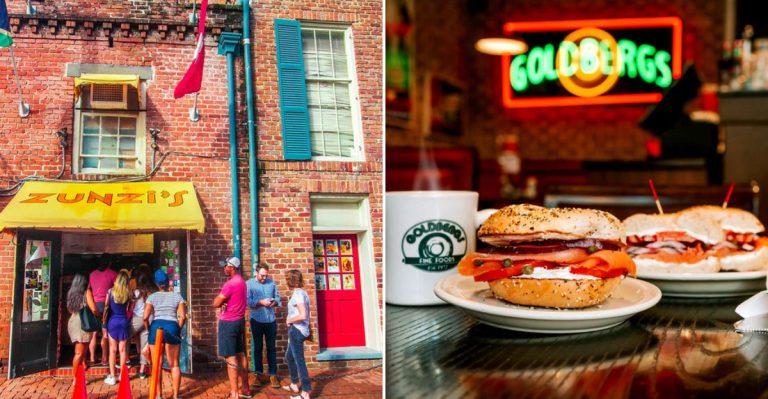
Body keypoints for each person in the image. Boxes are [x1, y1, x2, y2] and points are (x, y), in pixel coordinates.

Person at [144, 269, 187, 399]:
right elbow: (183, 317)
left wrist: (149, 329)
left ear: (156, 283)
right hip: (172, 327)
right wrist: (177, 330)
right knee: (174, 364)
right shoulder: (177, 296)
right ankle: (175, 396)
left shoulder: (152, 297)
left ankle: (159, 395)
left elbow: (145, 317)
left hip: (156, 328)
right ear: (168, 282)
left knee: (157, 364)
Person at [213, 256, 251, 399]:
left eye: (226, 266)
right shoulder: (242, 282)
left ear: (232, 267)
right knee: (241, 354)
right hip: (239, 321)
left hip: (228, 323)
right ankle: (246, 388)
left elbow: (216, 302)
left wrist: (219, 302)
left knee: (231, 358)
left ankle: (235, 393)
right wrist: (226, 302)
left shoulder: (230, 284)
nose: (224, 268)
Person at [246, 263, 281, 388]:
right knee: (257, 348)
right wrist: (260, 302)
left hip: (271, 320)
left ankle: (273, 375)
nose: (264, 278)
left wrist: (274, 302)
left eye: (266, 276)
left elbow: (278, 297)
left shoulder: (271, 283)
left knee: (271, 348)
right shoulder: (249, 284)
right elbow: (247, 301)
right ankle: (258, 375)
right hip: (256, 320)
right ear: (256, 273)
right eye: (262, 275)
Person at [282, 269, 312, 399]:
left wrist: (289, 320)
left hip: (297, 330)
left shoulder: (299, 295)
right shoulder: (301, 293)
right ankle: (294, 384)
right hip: (297, 330)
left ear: (291, 280)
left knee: (299, 361)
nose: (286, 281)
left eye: (287, 279)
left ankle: (306, 392)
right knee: (289, 357)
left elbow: (303, 315)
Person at [66, 274, 98, 386]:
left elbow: (70, 309)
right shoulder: (86, 292)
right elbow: (93, 308)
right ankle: (75, 379)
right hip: (82, 323)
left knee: (81, 353)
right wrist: (99, 315)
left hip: (73, 320)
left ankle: (80, 377)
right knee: (80, 353)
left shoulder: (71, 293)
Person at [104, 270, 132, 385]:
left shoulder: (110, 292)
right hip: (124, 321)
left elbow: (106, 308)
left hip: (113, 321)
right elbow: (129, 309)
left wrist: (104, 324)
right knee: (122, 350)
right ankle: (122, 375)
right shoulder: (129, 293)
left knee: (112, 350)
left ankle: (112, 376)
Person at [89, 255, 117, 365]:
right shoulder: (112, 274)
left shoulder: (92, 274)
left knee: (94, 333)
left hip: (94, 305)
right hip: (106, 305)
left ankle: (92, 358)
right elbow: (117, 289)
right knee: (105, 332)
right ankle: (104, 359)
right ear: (109, 263)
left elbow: (89, 289)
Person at [131, 270, 157, 379]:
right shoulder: (153, 292)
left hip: (138, 318)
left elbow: (131, 307)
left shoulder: (135, 292)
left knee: (124, 335)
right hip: (149, 318)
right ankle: (142, 370)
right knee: (144, 344)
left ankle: (126, 361)